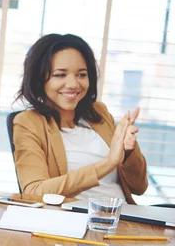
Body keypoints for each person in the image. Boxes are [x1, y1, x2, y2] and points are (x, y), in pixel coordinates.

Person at [13, 33, 148, 203]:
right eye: (60, 75)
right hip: (71, 222)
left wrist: (128, 153)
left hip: (122, 219)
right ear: (40, 80)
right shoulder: (28, 122)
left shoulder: (99, 113)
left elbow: (140, 187)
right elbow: (34, 191)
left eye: (81, 75)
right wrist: (107, 164)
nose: (73, 84)